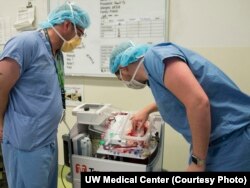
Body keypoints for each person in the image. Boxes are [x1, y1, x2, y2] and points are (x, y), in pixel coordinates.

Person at [109, 41, 250, 172]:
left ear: (123, 70)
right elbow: (178, 96)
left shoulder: (155, 57)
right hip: (212, 144)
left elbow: (198, 102)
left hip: (232, 141)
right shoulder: (153, 75)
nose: (125, 83)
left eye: (120, 79)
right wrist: (146, 110)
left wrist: (197, 162)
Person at [0, 2, 90, 187]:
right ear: (66, 25)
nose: (79, 39)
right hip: (25, 142)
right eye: (79, 33)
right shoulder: (26, 44)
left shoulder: (56, 53)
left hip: (47, 138)